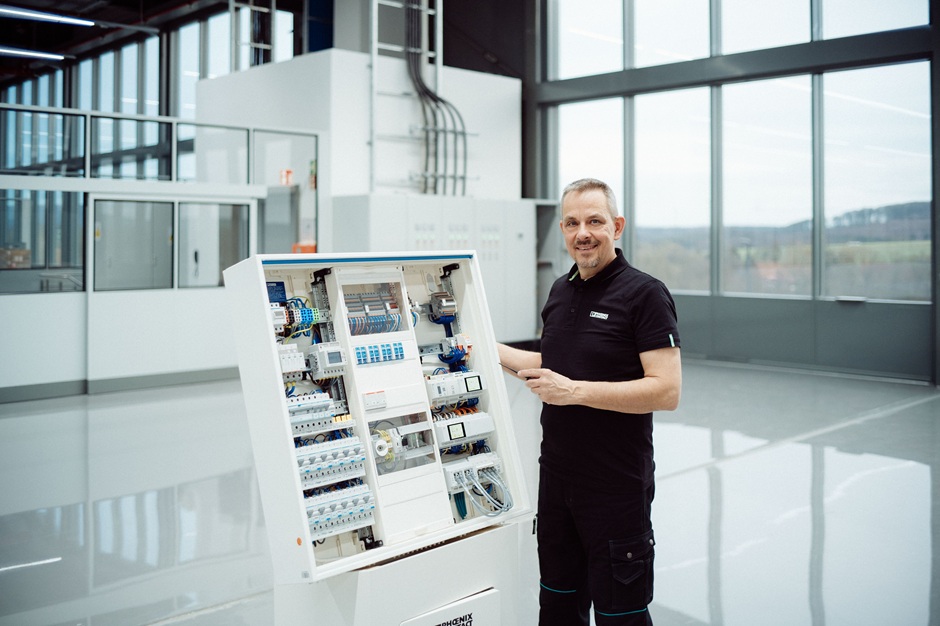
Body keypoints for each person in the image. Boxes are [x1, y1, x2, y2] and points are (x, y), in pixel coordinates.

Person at [498, 178, 682, 626]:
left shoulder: (645, 294)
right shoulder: (561, 291)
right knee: (558, 606)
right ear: (562, 229)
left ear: (616, 227)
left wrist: (574, 391)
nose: (583, 232)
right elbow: (554, 361)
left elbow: (666, 390)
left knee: (622, 615)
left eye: (595, 221)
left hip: (615, 487)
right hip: (558, 482)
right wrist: (480, 345)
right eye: (573, 222)